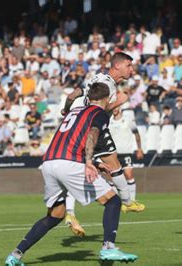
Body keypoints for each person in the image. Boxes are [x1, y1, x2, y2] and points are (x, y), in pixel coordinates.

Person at [5, 83, 137, 265]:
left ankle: (15, 255)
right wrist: (90, 162)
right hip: (69, 163)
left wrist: (95, 163)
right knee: (113, 200)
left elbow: (72, 139)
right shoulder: (98, 114)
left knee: (55, 215)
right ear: (107, 99)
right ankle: (108, 247)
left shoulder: (75, 111)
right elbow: (93, 134)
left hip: (50, 163)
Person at [61, 52, 145, 237]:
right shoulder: (107, 85)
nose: (132, 69)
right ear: (117, 66)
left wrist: (65, 110)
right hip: (92, 126)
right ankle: (127, 202)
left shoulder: (99, 78)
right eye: (129, 66)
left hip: (76, 126)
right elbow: (97, 108)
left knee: (77, 168)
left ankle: (69, 213)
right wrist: (117, 103)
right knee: (114, 165)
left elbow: (76, 94)